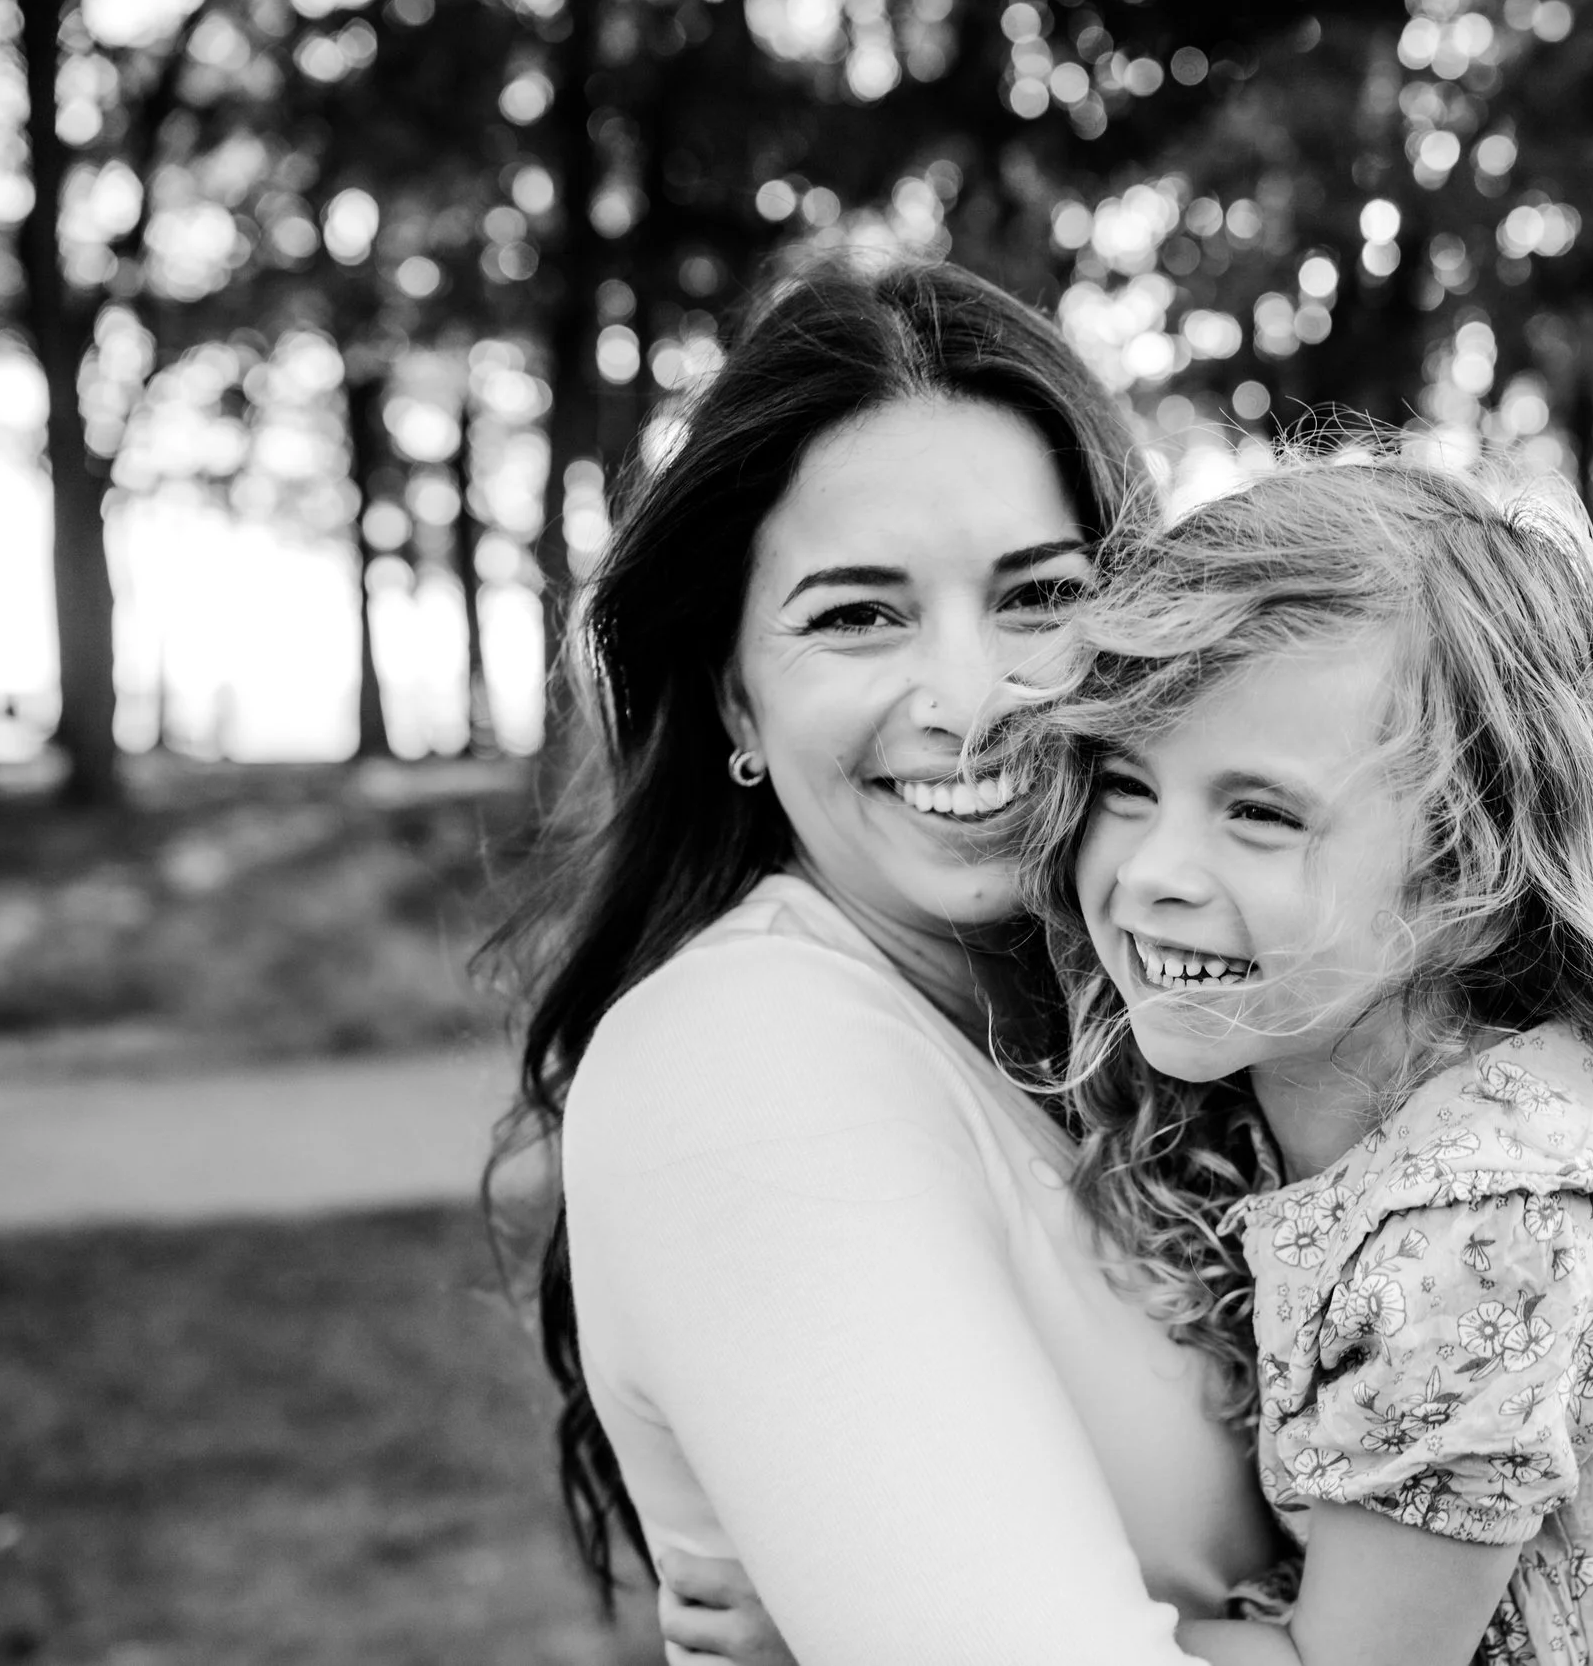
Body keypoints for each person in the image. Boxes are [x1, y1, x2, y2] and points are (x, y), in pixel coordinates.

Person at [490, 254, 1279, 1665]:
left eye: (1039, 595)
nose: (972, 700)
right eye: (858, 613)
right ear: (737, 699)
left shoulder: (1169, 1019)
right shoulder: (740, 1064)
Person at [998, 457, 1593, 1665]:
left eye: (1259, 812)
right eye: (1128, 784)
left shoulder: (1479, 1237)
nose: (1151, 872)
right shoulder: (1423, 1102)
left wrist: (884, 1625)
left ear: (1466, 875)